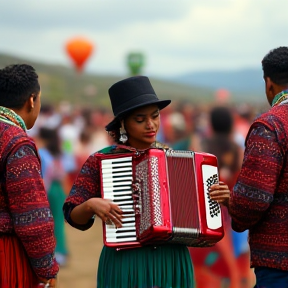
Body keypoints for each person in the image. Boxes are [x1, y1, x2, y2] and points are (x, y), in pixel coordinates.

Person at [63, 76, 230, 288]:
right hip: (126, 261)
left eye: (155, 116)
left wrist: (216, 196)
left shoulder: (174, 157)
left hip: (172, 259)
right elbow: (72, 215)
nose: (151, 125)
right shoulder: (102, 160)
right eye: (140, 120)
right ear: (123, 123)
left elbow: (197, 212)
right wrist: (90, 205)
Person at [209, 46, 288, 288]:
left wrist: (232, 204)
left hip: (280, 262)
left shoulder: (271, 125)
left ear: (268, 84)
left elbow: (255, 198)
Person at [0, 64, 58, 288]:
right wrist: (47, 270)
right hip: (7, 257)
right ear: (32, 100)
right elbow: (32, 219)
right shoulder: (17, 143)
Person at [37, 127, 70, 267]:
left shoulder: (42, 152)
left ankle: (52, 252)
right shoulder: (60, 152)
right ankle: (61, 252)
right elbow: (68, 169)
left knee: (47, 223)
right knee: (58, 221)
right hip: (59, 189)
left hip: (46, 189)